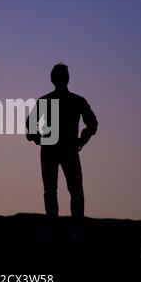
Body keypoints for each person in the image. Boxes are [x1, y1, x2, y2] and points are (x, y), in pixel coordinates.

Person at [26, 63, 98, 230]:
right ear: (67, 79)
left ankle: (60, 227)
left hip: (59, 149)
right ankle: (69, 228)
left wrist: (37, 138)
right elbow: (92, 123)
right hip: (62, 149)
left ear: (53, 79)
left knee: (61, 190)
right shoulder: (75, 101)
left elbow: (30, 125)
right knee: (69, 190)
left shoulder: (52, 100)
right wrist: (83, 138)